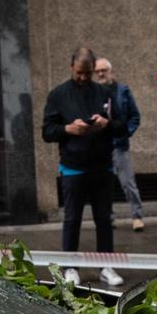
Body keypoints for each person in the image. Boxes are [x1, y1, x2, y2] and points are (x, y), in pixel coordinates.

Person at [42, 44, 118, 277]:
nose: (83, 77)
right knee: (72, 219)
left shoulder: (104, 93)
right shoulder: (58, 94)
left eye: (88, 73)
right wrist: (69, 129)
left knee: (104, 219)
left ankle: (106, 265)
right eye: (79, 73)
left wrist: (106, 124)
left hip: (101, 167)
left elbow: (122, 126)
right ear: (71, 67)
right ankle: (70, 266)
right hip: (72, 168)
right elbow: (47, 131)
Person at [96, 56, 145, 231]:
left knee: (127, 182)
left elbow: (135, 117)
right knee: (103, 185)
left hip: (119, 145)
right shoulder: (93, 93)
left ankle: (137, 216)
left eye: (104, 70)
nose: (101, 74)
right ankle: (108, 218)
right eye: (98, 71)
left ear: (111, 71)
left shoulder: (123, 91)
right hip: (100, 147)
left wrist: (125, 133)